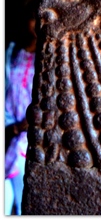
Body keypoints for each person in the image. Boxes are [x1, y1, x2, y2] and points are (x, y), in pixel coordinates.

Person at [5, 16, 36, 216]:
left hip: (31, 133)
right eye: (33, 17)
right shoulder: (13, 50)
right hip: (9, 127)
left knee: (25, 200)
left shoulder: (50, 54)